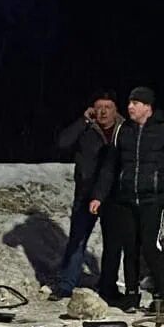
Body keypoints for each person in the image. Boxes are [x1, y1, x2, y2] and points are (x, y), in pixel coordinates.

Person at [89, 86, 164, 314]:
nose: (130, 107)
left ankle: (161, 297)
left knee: (150, 246)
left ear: (147, 106)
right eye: (129, 103)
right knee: (130, 248)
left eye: (135, 103)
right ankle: (131, 296)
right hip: (126, 199)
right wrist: (99, 196)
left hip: (152, 199)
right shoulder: (123, 129)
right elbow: (110, 167)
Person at [50, 90, 120, 298]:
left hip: (114, 196)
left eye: (108, 107)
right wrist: (83, 121)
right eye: (99, 108)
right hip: (85, 194)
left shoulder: (124, 130)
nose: (103, 112)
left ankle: (108, 286)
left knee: (113, 243)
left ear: (116, 110)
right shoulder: (86, 129)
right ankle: (65, 285)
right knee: (77, 240)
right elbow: (62, 143)